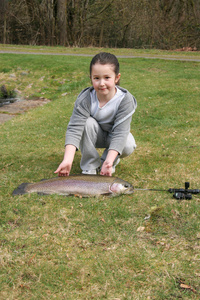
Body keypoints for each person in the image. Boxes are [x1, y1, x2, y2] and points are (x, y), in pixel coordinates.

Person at [55, 52, 137, 177]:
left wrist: (109, 161)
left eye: (107, 77)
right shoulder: (86, 98)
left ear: (117, 77)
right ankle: (89, 166)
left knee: (128, 144)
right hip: (94, 135)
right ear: (91, 78)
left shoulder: (125, 100)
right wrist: (67, 160)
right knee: (87, 123)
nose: (101, 83)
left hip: (114, 136)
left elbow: (120, 133)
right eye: (96, 78)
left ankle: (107, 163)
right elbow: (74, 129)